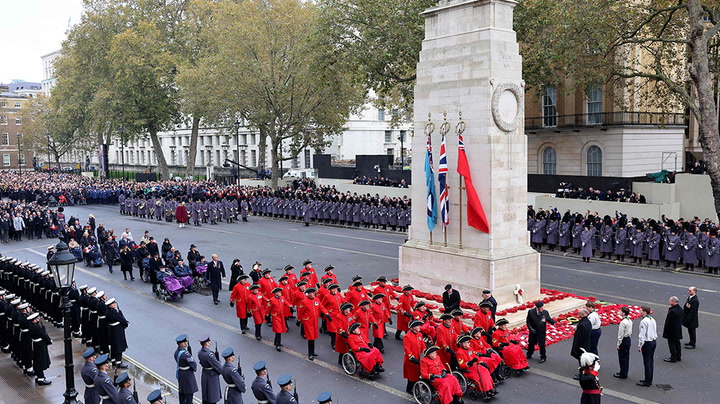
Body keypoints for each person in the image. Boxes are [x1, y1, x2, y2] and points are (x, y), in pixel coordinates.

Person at [298, 287, 330, 361]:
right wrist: (299, 320)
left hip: (315, 321)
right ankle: (310, 353)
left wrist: (326, 313)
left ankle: (313, 351)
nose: (313, 294)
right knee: (310, 338)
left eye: (314, 293)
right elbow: (301, 312)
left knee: (314, 337)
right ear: (308, 294)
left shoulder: (317, 299)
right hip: (308, 322)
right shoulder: (304, 302)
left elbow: (321, 307)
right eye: (311, 293)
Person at [27, 312, 53, 385]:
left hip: (37, 344)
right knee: (40, 361)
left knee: (38, 361)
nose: (38, 319)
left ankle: (39, 377)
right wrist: (49, 341)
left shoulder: (32, 326)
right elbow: (44, 335)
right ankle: (40, 379)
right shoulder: (36, 328)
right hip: (40, 345)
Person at [197, 334, 223, 404]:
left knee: (206, 396)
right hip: (212, 376)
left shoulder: (200, 352)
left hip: (205, 374)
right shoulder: (209, 355)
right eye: (209, 341)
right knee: (212, 397)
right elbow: (220, 368)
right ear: (207, 343)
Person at [105, 298, 129, 368]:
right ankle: (118, 362)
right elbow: (121, 319)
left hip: (112, 330)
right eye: (113, 304)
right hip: (117, 330)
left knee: (113, 345)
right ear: (110, 305)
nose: (115, 304)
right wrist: (126, 323)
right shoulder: (113, 312)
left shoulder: (108, 311)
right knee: (119, 345)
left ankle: (113, 360)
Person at [636, 306, 657, 387]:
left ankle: (647, 381)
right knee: (650, 361)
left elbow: (642, 334)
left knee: (647, 362)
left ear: (645, 312)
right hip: (653, 341)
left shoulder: (644, 321)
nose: (639, 312)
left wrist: (640, 345)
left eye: (641, 311)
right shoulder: (652, 319)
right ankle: (649, 378)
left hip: (647, 343)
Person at [174, 334, 198, 404]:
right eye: (184, 342)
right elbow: (194, 365)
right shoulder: (185, 354)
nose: (186, 343)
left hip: (181, 374)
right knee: (189, 397)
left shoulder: (176, 352)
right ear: (181, 344)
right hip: (187, 376)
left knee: (182, 394)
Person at [403, 320, 425, 394]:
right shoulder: (407, 336)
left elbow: (422, 345)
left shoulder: (419, 335)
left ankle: (414, 387)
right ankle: (409, 389)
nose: (419, 327)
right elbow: (407, 350)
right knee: (411, 375)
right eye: (417, 326)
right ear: (413, 327)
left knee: (416, 374)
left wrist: (426, 352)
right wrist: (412, 357)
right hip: (410, 360)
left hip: (417, 357)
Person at [268, 287, 291, 351]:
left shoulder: (282, 298)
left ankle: (276, 342)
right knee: (278, 330)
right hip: (275, 316)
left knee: (280, 329)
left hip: (281, 316)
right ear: (275, 293)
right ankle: (278, 344)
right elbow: (269, 308)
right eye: (278, 292)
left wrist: (290, 306)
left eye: (280, 292)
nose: (280, 293)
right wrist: (267, 314)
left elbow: (286, 303)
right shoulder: (272, 299)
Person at [571, 309, 592, 380]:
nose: (578, 315)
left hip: (582, 346)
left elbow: (579, 338)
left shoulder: (582, 325)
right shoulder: (588, 322)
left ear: (583, 314)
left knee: (582, 361)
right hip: (587, 344)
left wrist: (575, 347)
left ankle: (582, 374)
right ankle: (586, 372)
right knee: (585, 360)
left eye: (579, 314)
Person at [663, 296, 683, 363]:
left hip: (672, 330)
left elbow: (669, 322)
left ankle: (673, 357)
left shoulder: (672, 311)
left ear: (673, 301)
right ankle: (678, 356)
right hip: (678, 329)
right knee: (677, 342)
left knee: (671, 343)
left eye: (670, 300)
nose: (669, 301)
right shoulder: (680, 309)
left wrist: (666, 331)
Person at [614, 307, 632, 379]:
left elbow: (620, 334)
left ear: (623, 313)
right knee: (626, 357)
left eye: (620, 311)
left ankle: (623, 373)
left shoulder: (623, 322)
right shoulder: (629, 320)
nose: (619, 312)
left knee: (622, 357)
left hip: (624, 340)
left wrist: (618, 344)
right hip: (628, 339)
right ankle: (625, 371)